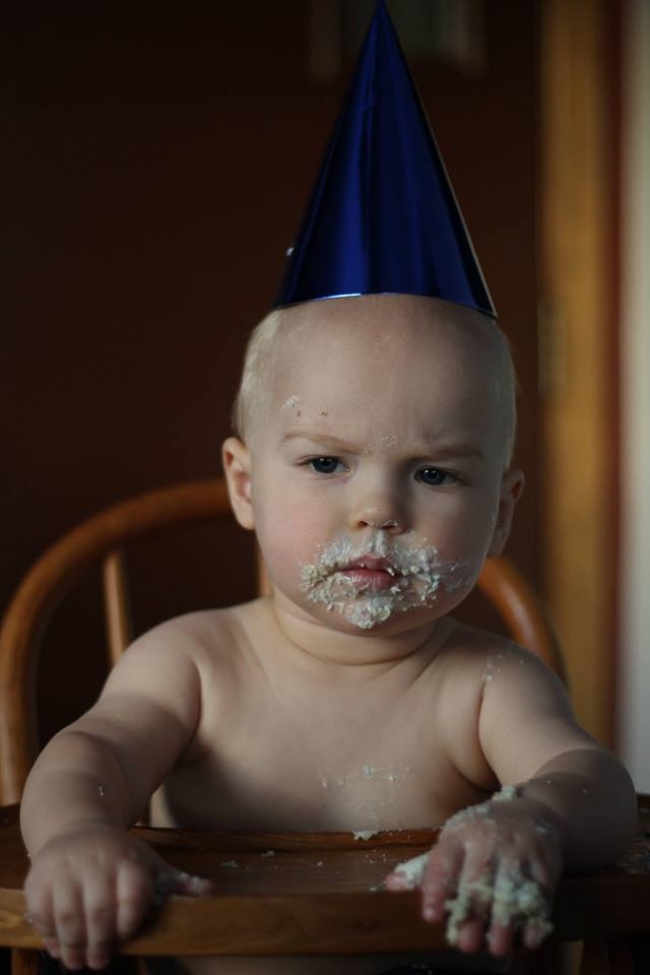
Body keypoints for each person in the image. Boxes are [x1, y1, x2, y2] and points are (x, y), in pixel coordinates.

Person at [19, 4, 638, 974]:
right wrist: (77, 838)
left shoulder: (483, 685)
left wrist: (534, 819)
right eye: (323, 462)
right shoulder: (190, 665)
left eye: (432, 473)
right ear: (243, 483)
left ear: (501, 511)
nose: (377, 508)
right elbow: (87, 760)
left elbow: (593, 783)